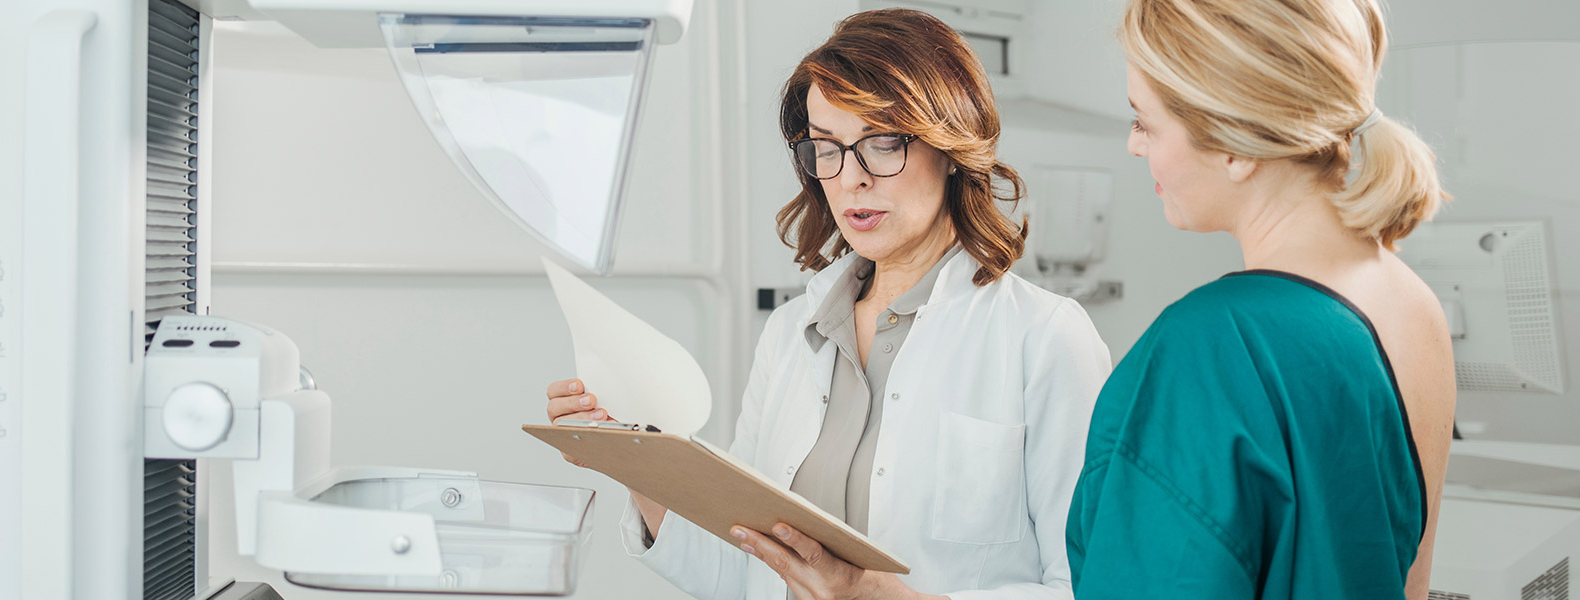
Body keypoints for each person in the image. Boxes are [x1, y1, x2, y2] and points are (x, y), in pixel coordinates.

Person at [545, 9, 1111, 600]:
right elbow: (742, 569)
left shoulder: (1044, 337)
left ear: (950, 146)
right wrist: (638, 462)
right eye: (827, 148)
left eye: (882, 143)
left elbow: (1093, 583)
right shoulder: (793, 334)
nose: (851, 179)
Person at [1065, 0, 1457, 598]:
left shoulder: (1209, 348)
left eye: (1146, 122)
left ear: (1237, 144)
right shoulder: (1410, 301)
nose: (1134, 146)